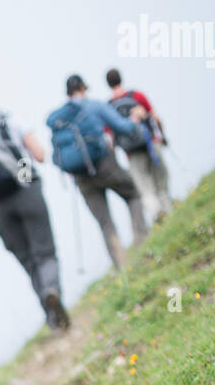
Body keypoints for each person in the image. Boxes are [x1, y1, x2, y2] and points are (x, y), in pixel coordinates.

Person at [0, 83, 69, 330]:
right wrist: (26, 172)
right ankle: (52, 290)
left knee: (28, 260)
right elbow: (38, 154)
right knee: (45, 252)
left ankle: (52, 317)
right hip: (24, 183)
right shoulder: (7, 118)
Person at [46, 74, 148, 270]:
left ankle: (122, 265)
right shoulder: (94, 106)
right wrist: (134, 119)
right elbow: (122, 126)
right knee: (133, 194)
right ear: (84, 88)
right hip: (104, 164)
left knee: (104, 221)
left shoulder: (60, 118)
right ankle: (142, 242)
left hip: (80, 176)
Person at [105, 68, 172, 223]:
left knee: (144, 187)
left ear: (108, 84)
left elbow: (111, 137)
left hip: (131, 152)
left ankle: (158, 217)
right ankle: (169, 211)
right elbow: (156, 118)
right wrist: (162, 137)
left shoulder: (108, 107)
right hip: (151, 143)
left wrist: (116, 155)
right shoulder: (136, 95)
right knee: (161, 180)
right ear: (121, 78)